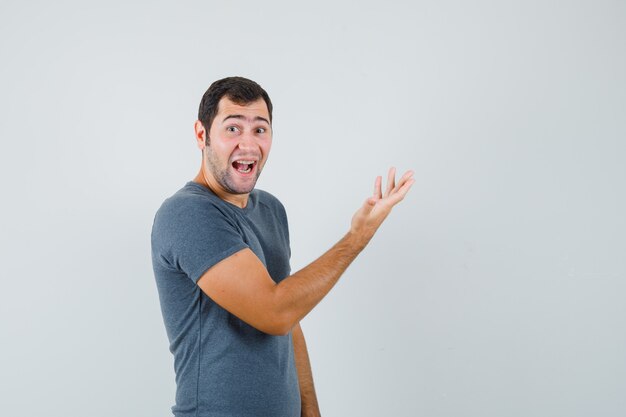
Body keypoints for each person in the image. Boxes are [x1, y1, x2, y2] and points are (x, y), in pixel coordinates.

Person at [151, 76, 414, 417]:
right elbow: (274, 313)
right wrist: (356, 238)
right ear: (202, 135)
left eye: (260, 130)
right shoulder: (188, 214)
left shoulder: (270, 209)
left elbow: (291, 314)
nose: (248, 144)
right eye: (233, 129)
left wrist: (311, 411)